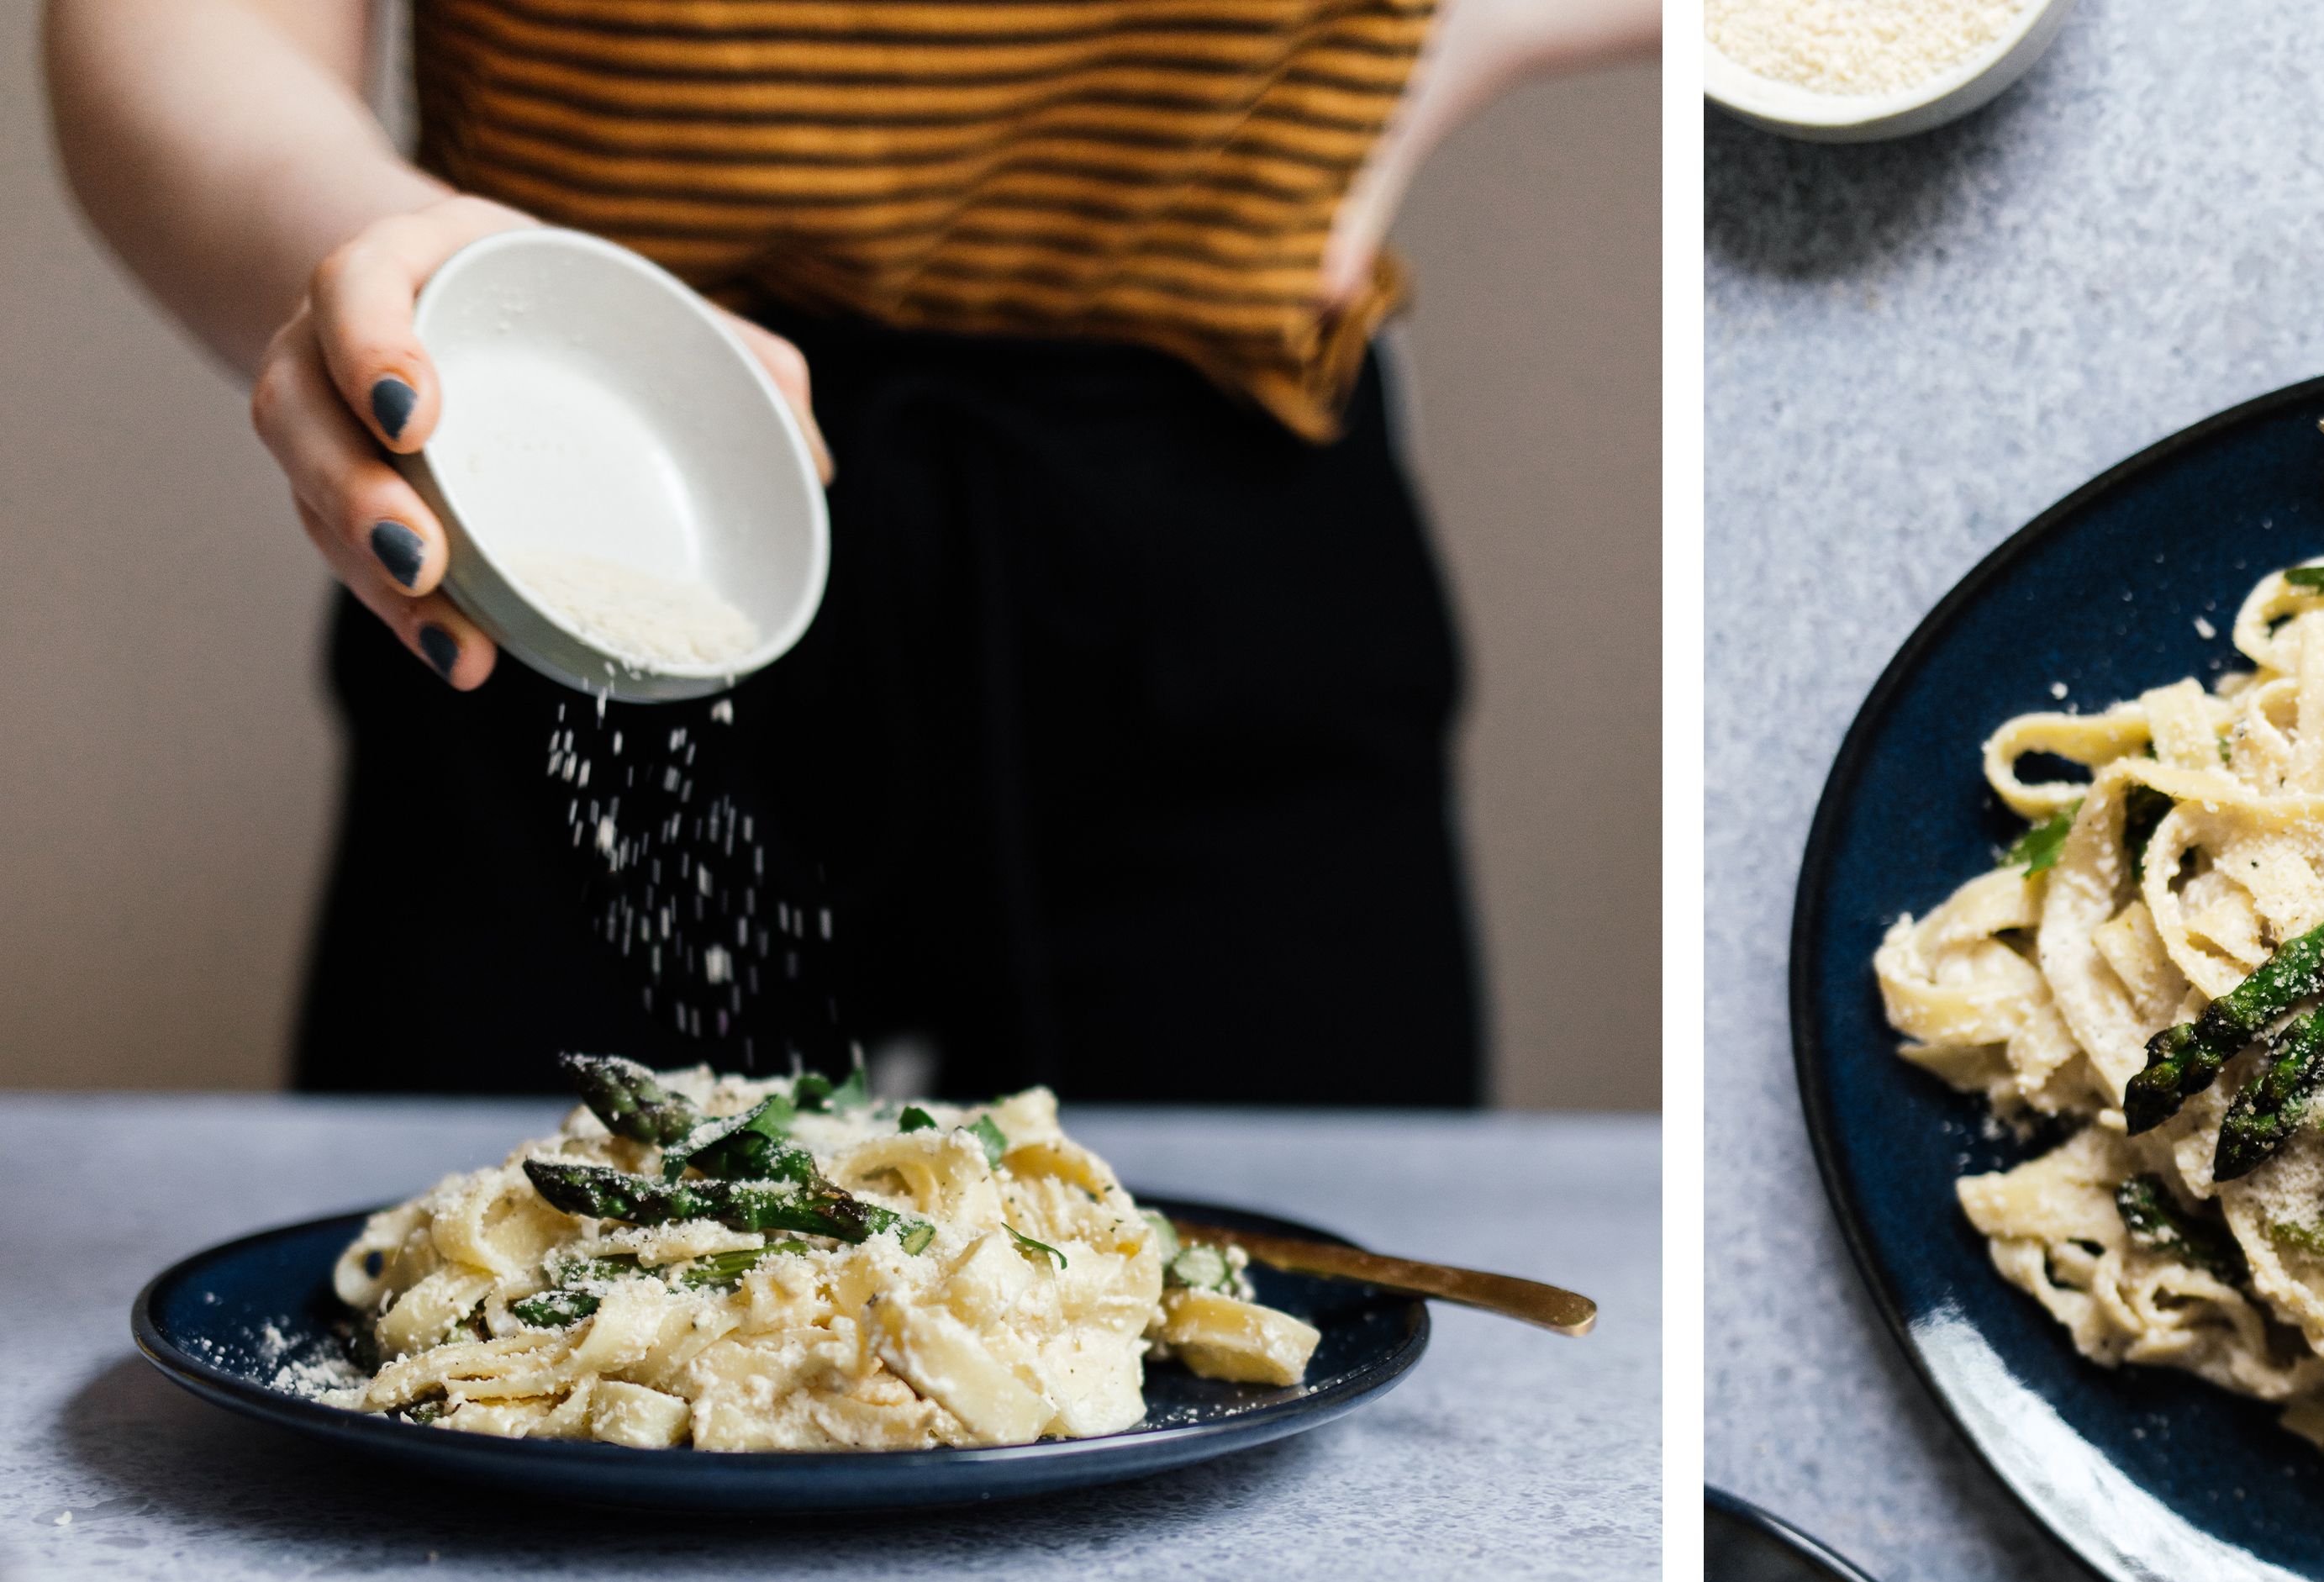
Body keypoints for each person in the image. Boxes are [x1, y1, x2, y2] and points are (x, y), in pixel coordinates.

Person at [45, 0, 1653, 1103]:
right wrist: (366, 252)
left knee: (1286, 1380)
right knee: (485, 1363)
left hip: (1199, 519)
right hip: (549, 488)